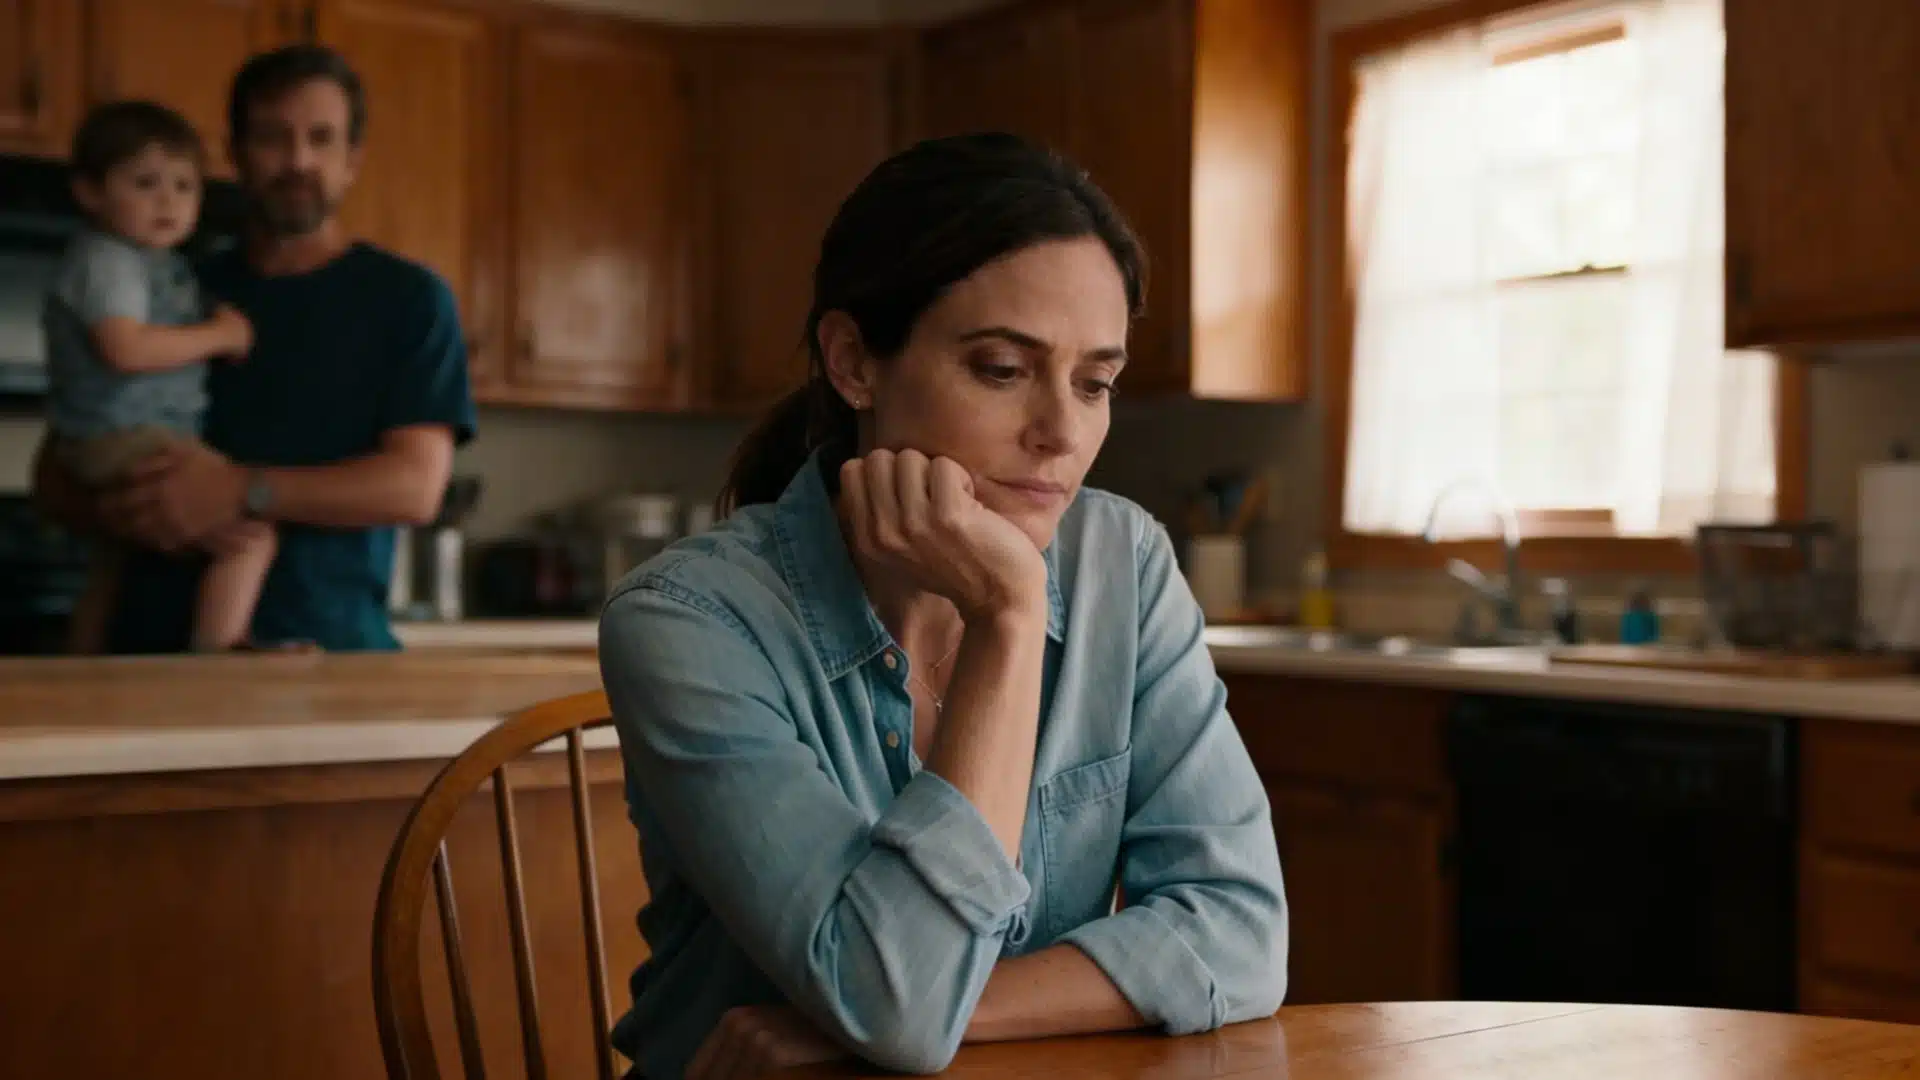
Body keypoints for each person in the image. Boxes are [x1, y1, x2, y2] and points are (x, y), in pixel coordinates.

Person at [598, 132, 1288, 1080]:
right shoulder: (687, 621)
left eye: (1096, 384)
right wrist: (1009, 618)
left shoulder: (1122, 563)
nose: (1060, 433)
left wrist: (868, 1021)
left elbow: (1243, 932)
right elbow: (895, 1003)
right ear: (853, 361)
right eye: (1002, 370)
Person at [32, 45, 476, 653]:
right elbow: (54, 474)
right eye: (273, 137)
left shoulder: (406, 299)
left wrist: (242, 489)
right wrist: (124, 509)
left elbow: (415, 487)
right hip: (140, 662)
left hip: (327, 658)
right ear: (235, 153)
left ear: (353, 160)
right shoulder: (176, 285)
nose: (299, 160)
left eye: (322, 138)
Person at [44, 100, 274, 654]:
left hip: (105, 435)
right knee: (250, 534)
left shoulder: (159, 263)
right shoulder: (109, 261)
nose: (168, 200)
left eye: (184, 185)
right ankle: (220, 651)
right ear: (91, 192)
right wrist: (221, 336)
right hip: (124, 433)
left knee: (112, 563)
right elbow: (125, 348)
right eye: (145, 182)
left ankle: (84, 664)